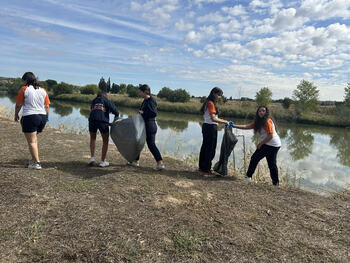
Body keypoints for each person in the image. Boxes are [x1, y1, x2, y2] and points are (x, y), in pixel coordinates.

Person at [232, 106, 281, 185]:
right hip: (271, 144)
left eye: (263, 111)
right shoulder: (258, 122)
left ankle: (248, 177)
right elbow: (246, 126)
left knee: (256, 159)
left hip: (272, 144)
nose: (261, 112)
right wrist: (234, 125)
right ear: (257, 113)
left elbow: (270, 135)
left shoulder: (267, 121)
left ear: (266, 113)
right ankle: (275, 183)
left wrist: (261, 143)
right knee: (269, 163)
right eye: (259, 111)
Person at [14, 72, 50, 170]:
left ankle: (37, 163)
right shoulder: (43, 90)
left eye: (23, 80)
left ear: (25, 80)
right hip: (42, 117)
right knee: (34, 140)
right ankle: (34, 159)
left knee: (32, 141)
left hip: (30, 116)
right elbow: (46, 106)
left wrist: (16, 114)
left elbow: (18, 104)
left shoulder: (24, 89)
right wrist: (47, 118)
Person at [128, 84, 165, 170]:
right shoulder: (145, 100)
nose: (139, 93)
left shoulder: (151, 100)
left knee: (151, 145)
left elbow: (154, 113)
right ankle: (136, 161)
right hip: (144, 126)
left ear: (145, 92)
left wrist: (142, 113)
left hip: (150, 126)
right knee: (138, 142)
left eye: (140, 92)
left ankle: (160, 163)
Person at [198, 87, 232, 175]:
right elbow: (213, 119)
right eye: (219, 95)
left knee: (205, 147)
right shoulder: (211, 103)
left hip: (206, 126)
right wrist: (226, 122)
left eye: (220, 95)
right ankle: (206, 170)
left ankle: (202, 168)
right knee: (210, 149)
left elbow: (213, 117)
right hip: (211, 127)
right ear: (214, 93)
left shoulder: (208, 102)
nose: (220, 97)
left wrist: (223, 120)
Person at [88, 91, 119, 167]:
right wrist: (114, 122)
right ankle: (102, 162)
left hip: (92, 120)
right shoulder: (106, 100)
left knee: (93, 138)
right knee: (105, 141)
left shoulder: (94, 101)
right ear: (105, 96)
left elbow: (93, 110)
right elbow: (116, 112)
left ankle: (92, 159)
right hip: (102, 121)